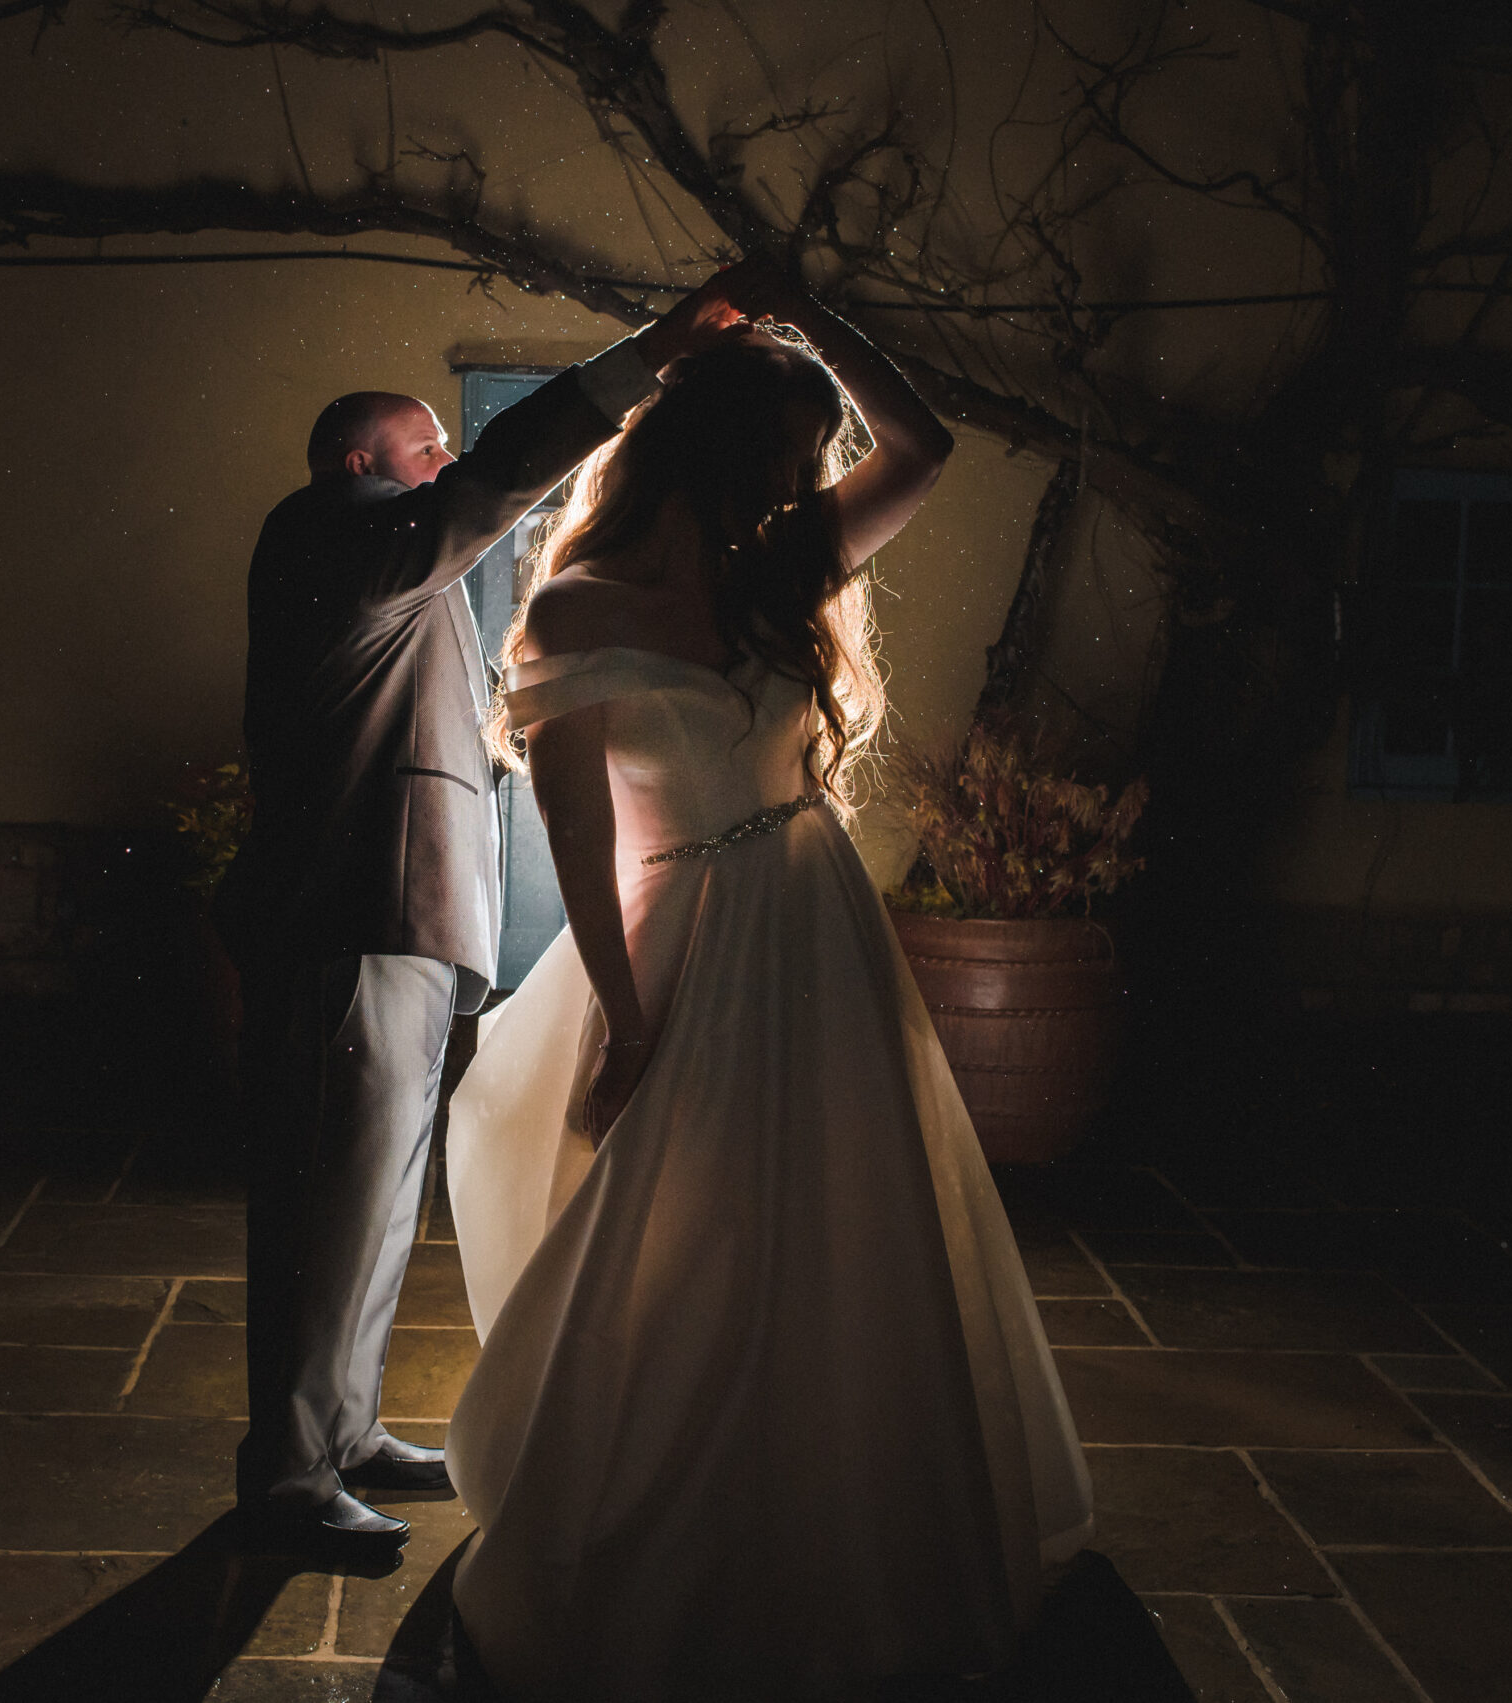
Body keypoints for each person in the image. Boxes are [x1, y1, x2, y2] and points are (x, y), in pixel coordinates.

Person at [442, 266, 1096, 1694]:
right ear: (731, 454)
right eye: (795, 456)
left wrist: (810, 312)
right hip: (683, 934)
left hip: (817, 921)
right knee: (686, 1235)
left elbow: (921, 447)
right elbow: (573, 828)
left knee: (846, 1215)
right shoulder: (580, 605)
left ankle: (846, 1512)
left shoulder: (781, 565)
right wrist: (626, 1018)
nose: (810, 480)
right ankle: (670, 1512)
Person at [215, 273, 752, 1541]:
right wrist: (650, 359)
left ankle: (339, 1428)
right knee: (323, 1205)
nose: (447, 458)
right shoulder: (334, 530)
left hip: (391, 919)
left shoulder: (380, 561)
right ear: (362, 463)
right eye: (423, 444)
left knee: (373, 1194)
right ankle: (288, 1476)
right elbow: (499, 476)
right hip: (350, 918)